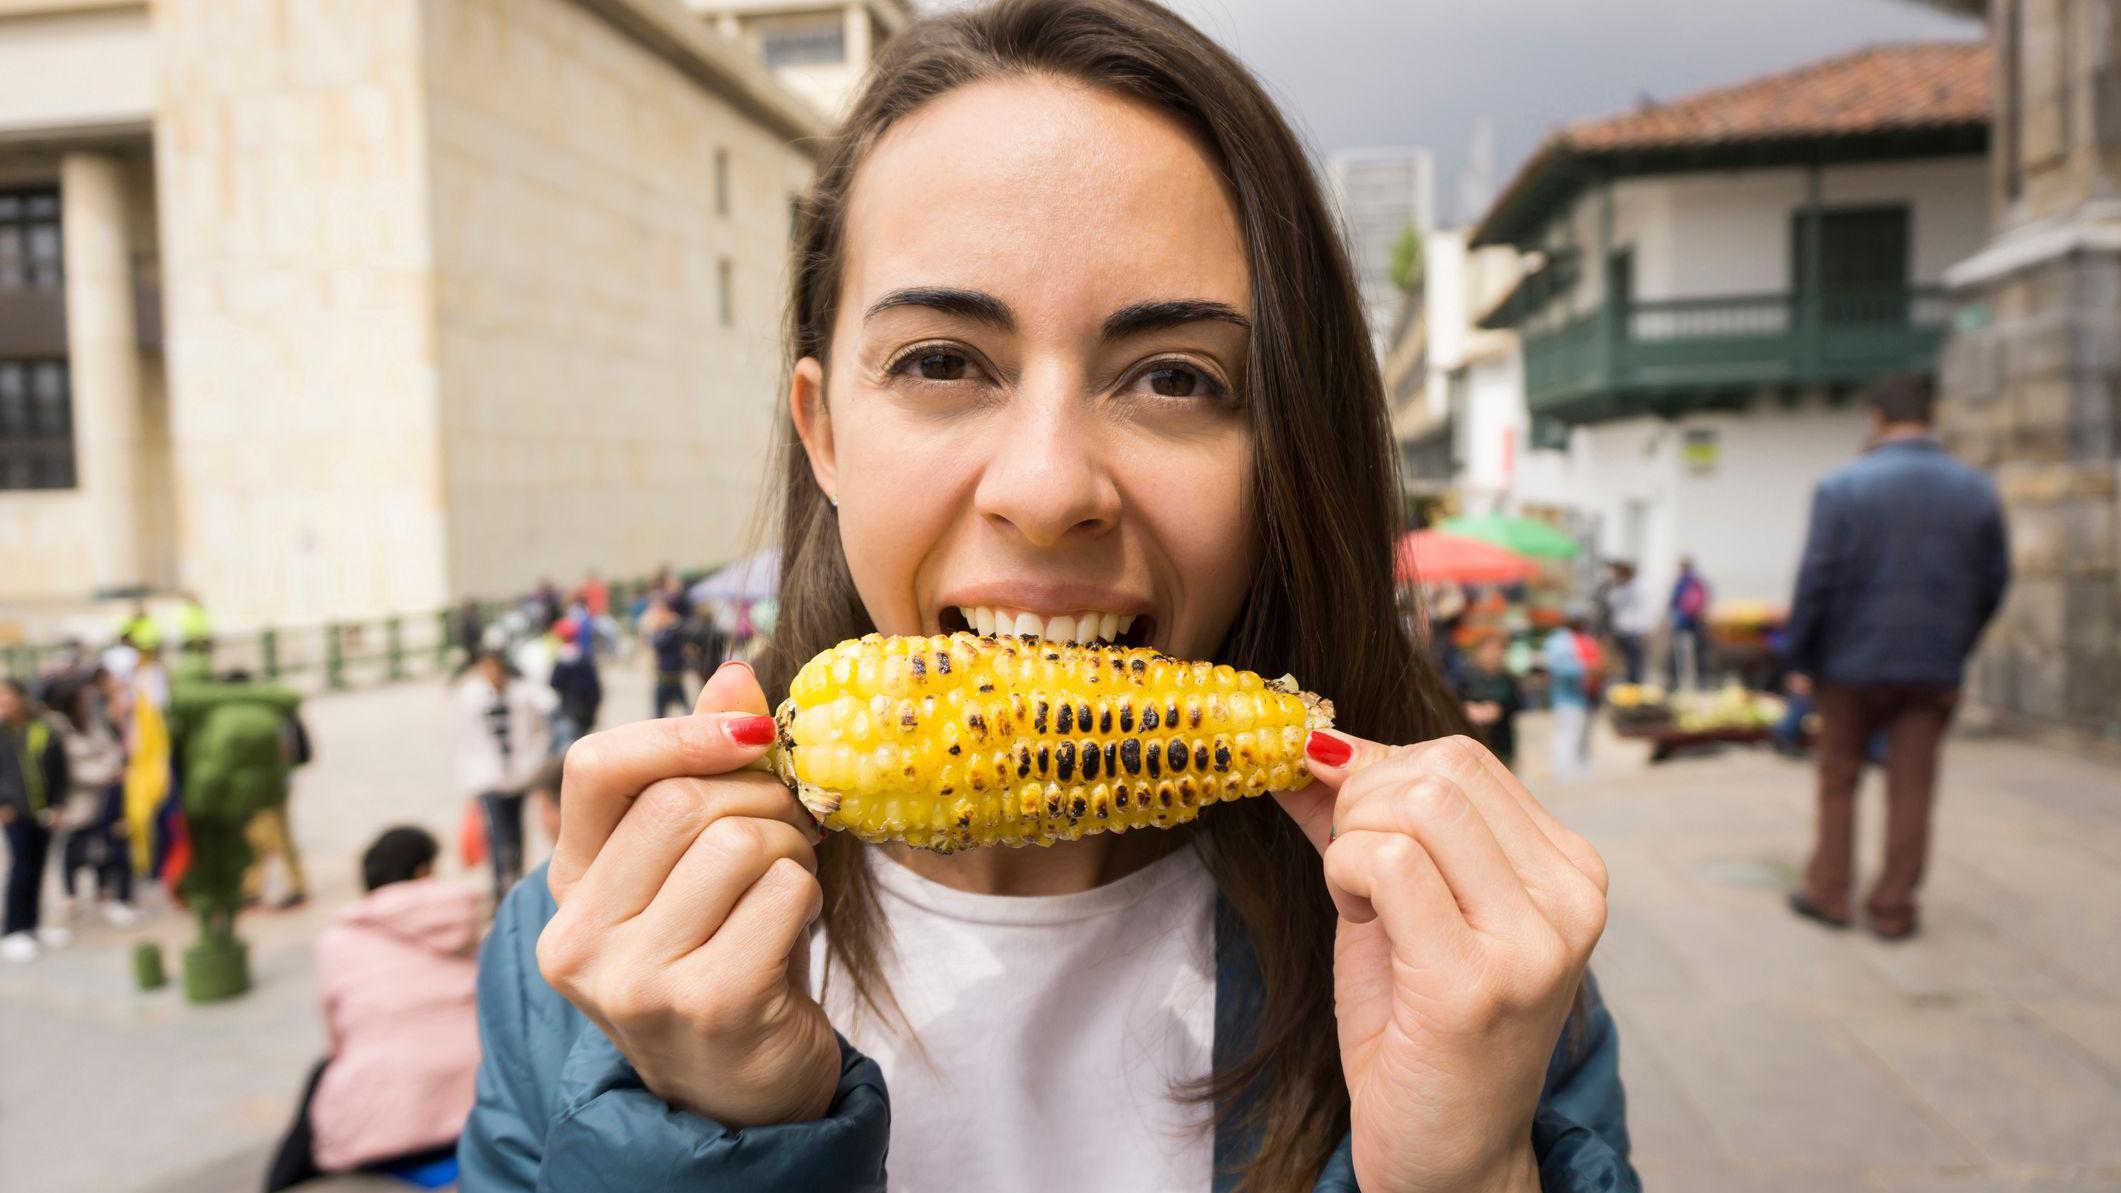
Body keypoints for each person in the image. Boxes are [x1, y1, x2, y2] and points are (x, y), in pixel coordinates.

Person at [460, 4, 1631, 1191]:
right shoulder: (576, 958)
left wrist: (1466, 1170)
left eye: (1176, 377)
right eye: (941, 361)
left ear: (1286, 448)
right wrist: (707, 1134)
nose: (1048, 487)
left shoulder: (1476, 955)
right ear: (822, 431)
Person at [1784, 374, 2010, 941]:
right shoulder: (1976, 490)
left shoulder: (1842, 487)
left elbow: (1817, 582)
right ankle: (1893, 908)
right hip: (1931, 667)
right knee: (1913, 788)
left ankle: (1830, 894)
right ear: (1930, 415)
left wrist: (1802, 660)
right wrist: (1957, 642)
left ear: (1877, 418)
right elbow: (1994, 580)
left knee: (1838, 780)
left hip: (1848, 666)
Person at [263, 827, 480, 1191]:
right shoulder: (462, 920)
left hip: (378, 1132)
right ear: (423, 871)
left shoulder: (337, 939)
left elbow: (337, 1040)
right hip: (476, 1109)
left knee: (322, 1075)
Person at [455, 650, 551, 904]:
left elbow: (540, 729)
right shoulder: (471, 697)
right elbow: (467, 739)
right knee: (497, 832)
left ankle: (517, 881)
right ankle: (500, 888)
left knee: (517, 830)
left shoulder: (523, 695)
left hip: (519, 774)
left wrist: (533, 762)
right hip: (488, 777)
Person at [48, 675, 137, 926]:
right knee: (76, 848)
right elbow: (70, 767)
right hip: (80, 800)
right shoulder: (58, 729)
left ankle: (106, 892)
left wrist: (113, 769)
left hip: (107, 797)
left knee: (107, 848)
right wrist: (107, 773)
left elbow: (110, 749)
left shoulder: (91, 721)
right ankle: (72, 893)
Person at [0, 678, 70, 961]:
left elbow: (59, 767)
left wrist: (59, 804)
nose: (5, 702)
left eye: (8, 696)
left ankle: (32, 925)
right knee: (21, 868)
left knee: (40, 867)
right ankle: (13, 928)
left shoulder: (43, 728)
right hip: (14, 812)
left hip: (43, 811)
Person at [239, 685, 314, 912]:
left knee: (264, 835)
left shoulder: (251, 716)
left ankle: (268, 886)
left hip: (266, 783)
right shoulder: (274, 708)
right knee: (278, 834)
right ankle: (283, 884)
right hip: (281, 780)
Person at [1458, 635, 1525, 770]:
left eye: (1497, 651)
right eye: (1488, 650)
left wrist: (1500, 709)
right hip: (1474, 740)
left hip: (1502, 741)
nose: (1492, 655)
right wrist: (1470, 709)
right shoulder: (1466, 677)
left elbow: (1519, 703)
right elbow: (1456, 699)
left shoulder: (1508, 678)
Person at [1542, 613, 1594, 783]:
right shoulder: (1559, 641)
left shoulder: (1579, 638)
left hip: (1583, 696)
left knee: (1581, 737)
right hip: (1566, 697)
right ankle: (1564, 773)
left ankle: (1581, 773)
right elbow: (1558, 667)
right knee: (1567, 734)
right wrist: (1586, 668)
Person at [546, 619, 602, 752]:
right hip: (585, 710)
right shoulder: (585, 658)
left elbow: (554, 683)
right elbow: (595, 688)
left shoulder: (561, 659)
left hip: (568, 709)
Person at [1665, 557, 1711, 690]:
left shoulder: (1686, 582)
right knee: (1688, 654)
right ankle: (1687, 681)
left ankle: (1681, 682)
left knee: (1690, 654)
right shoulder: (1692, 582)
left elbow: (1674, 602)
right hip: (1688, 621)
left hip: (1687, 622)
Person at [1605, 562, 1653, 685]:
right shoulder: (1621, 587)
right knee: (1626, 660)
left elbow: (1612, 602)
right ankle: (1630, 682)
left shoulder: (1636, 587)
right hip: (1623, 628)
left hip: (1632, 629)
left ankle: (1635, 682)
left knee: (1634, 659)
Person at [643, 597, 691, 718]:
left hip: (669, 672)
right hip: (667, 671)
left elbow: (657, 643)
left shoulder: (672, 627)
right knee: (667, 706)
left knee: (662, 707)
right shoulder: (667, 627)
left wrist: (655, 630)